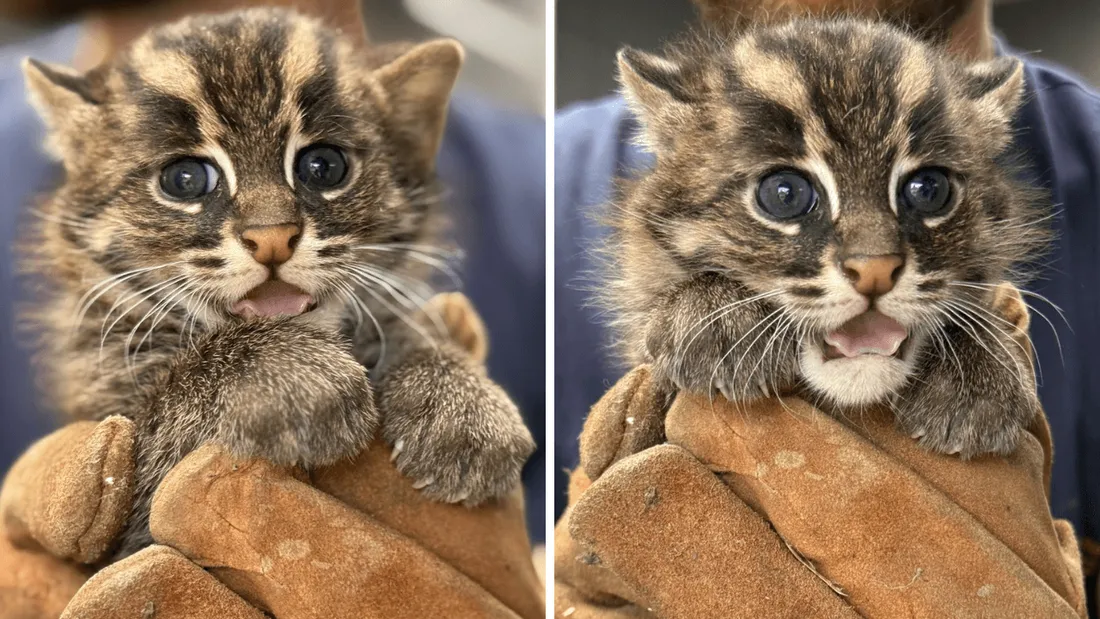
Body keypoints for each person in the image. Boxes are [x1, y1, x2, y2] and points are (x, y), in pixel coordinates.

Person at [554, 0, 1100, 605]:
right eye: (785, 193)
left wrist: (972, 340)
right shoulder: (546, 173)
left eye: (927, 190)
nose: (874, 264)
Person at [0, 0, 546, 539]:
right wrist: (229, 375)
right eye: (185, 179)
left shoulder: (535, 176)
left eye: (323, 167)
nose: (271, 236)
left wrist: (430, 368)